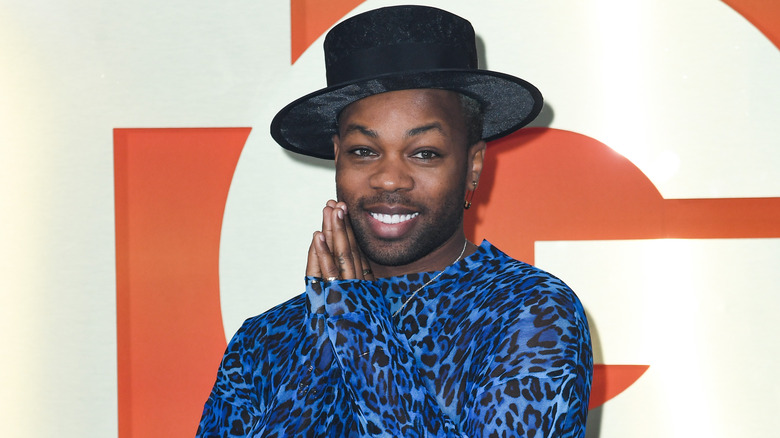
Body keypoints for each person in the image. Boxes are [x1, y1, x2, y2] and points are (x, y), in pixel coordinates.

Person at [197, 5, 592, 437]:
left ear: (473, 166)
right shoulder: (264, 339)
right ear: (337, 157)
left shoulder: (529, 311)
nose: (388, 178)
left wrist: (358, 330)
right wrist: (325, 339)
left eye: (425, 153)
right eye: (363, 151)